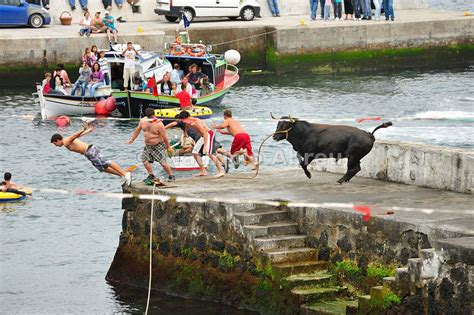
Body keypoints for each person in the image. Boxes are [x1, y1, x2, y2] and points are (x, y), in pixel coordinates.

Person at [51, 122, 131, 185]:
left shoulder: (65, 142)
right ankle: (122, 175)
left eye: (55, 143)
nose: (56, 146)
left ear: (58, 140)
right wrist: (87, 131)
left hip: (90, 150)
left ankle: (125, 174)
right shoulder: (67, 140)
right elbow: (76, 137)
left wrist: (83, 129)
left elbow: (74, 135)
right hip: (89, 153)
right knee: (102, 168)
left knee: (106, 162)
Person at [127, 108, 175, 184]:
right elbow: (137, 130)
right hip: (148, 145)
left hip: (158, 145)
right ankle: (151, 175)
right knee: (144, 160)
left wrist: (168, 147)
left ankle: (171, 175)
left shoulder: (159, 123)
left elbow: (165, 136)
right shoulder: (143, 121)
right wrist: (132, 139)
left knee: (162, 162)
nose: (150, 118)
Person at [177, 111, 225, 177]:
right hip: (202, 136)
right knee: (195, 152)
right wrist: (185, 132)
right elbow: (187, 126)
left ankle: (221, 171)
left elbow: (205, 133)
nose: (182, 122)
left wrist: (205, 146)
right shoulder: (189, 121)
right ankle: (203, 171)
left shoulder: (196, 122)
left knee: (210, 153)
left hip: (208, 135)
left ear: (187, 118)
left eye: (183, 120)